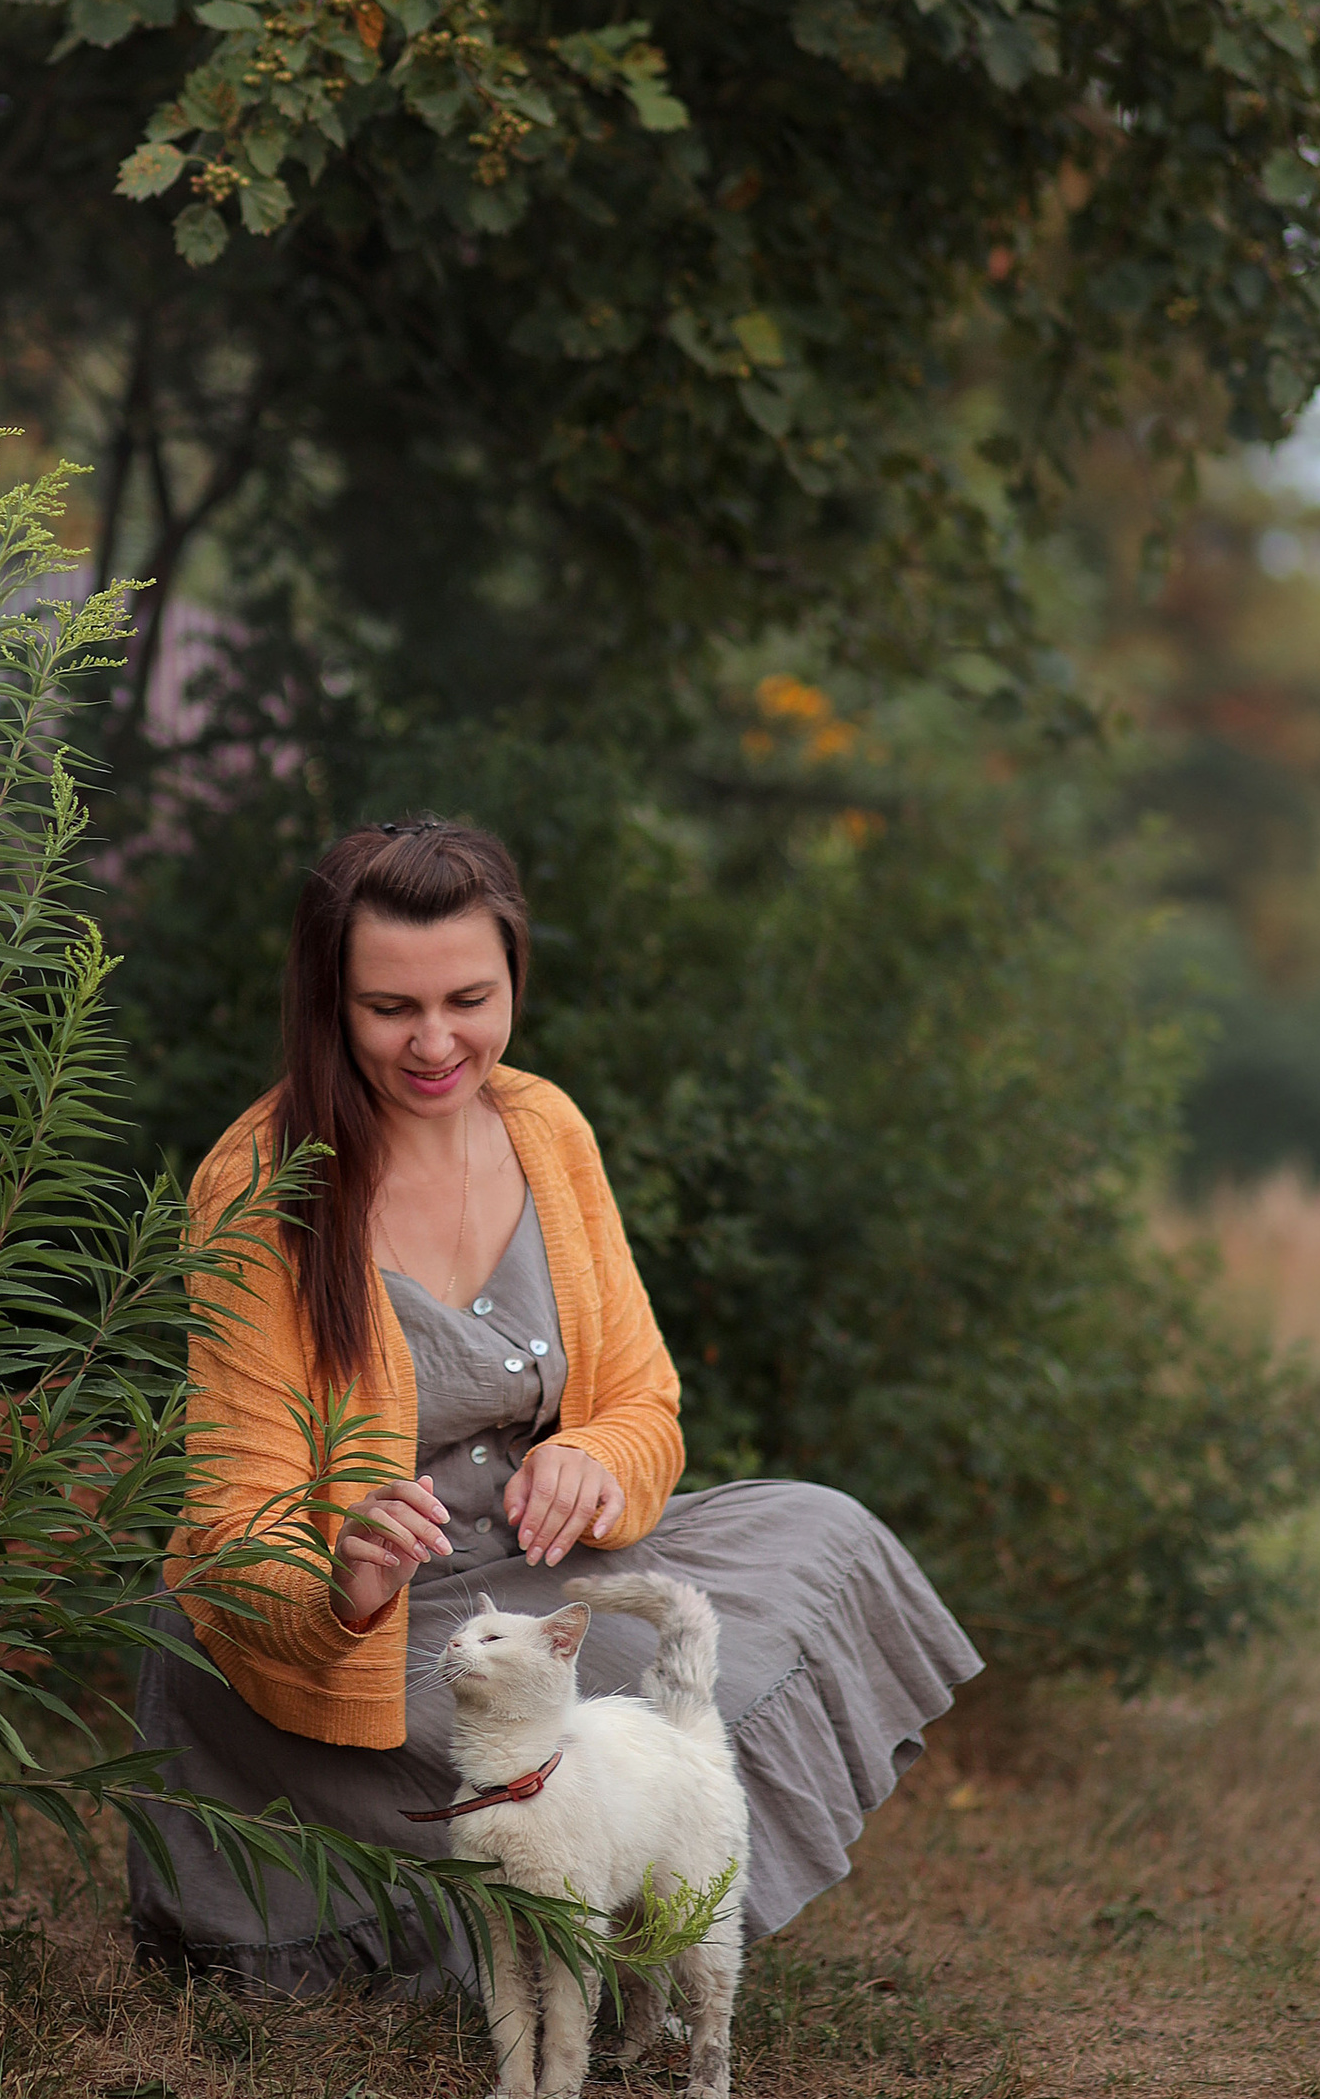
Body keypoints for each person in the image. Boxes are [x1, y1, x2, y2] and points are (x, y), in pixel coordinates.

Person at [127, 816, 980, 1997]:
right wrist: (344, 1581)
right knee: (542, 1760)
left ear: (515, 973)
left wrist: (595, 1454)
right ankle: (531, 1921)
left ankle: (646, 1902)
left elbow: (646, 1399)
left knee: (814, 1538)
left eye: (469, 998)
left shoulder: (544, 1128)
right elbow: (231, 1526)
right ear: (328, 999)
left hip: (530, 1576)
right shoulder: (260, 1186)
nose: (435, 1042)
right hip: (358, 1637)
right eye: (389, 1009)